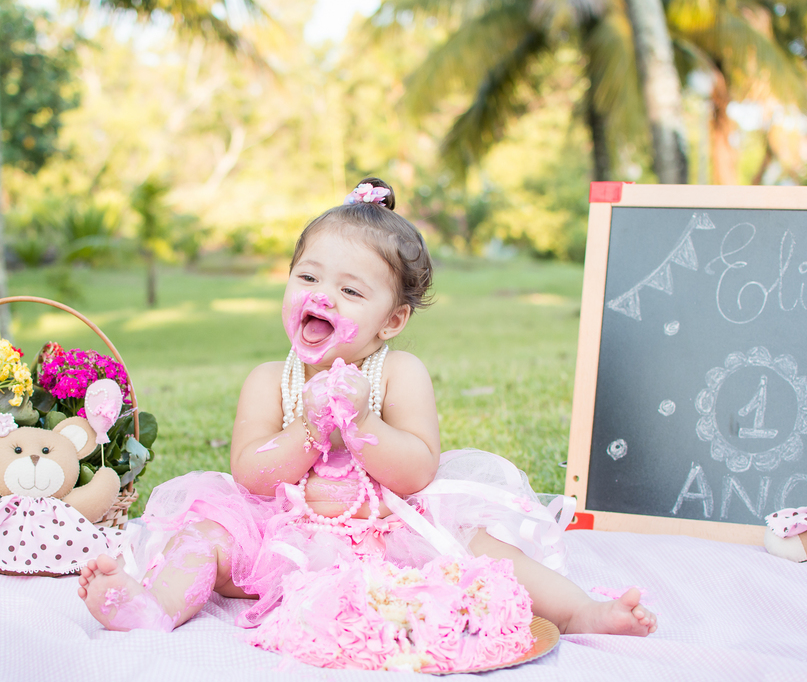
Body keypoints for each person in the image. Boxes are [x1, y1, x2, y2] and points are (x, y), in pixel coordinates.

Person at [78, 178, 656, 638]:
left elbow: (417, 472)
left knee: (478, 550)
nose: (322, 295)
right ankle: (152, 607)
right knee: (204, 537)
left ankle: (578, 611)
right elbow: (250, 475)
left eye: (352, 291)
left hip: (386, 527)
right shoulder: (268, 380)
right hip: (282, 528)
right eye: (307, 276)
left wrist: (362, 424)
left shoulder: (398, 373)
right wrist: (307, 429)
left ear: (392, 321)